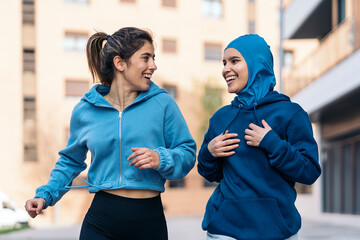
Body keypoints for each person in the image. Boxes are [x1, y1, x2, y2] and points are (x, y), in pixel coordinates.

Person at [25, 27, 196, 240]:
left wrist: (160, 158)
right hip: (101, 221)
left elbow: (187, 152)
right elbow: (70, 162)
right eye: (145, 58)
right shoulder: (86, 110)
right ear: (120, 63)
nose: (153, 65)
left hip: (148, 221)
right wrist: (45, 195)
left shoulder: (163, 103)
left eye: (153, 58)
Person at [197, 34, 321, 240]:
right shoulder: (220, 118)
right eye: (224, 63)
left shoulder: (290, 113)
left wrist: (272, 143)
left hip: (277, 231)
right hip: (224, 231)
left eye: (234, 61)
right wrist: (209, 153)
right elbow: (209, 173)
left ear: (258, 63)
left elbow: (309, 172)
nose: (225, 69)